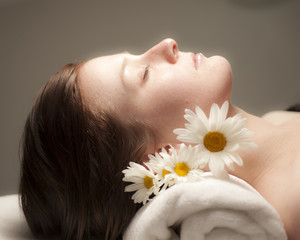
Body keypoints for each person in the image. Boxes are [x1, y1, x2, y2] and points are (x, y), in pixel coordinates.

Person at [19, 38, 299, 240]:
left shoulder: (280, 117)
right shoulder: (294, 200)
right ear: (157, 159)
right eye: (145, 73)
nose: (167, 43)